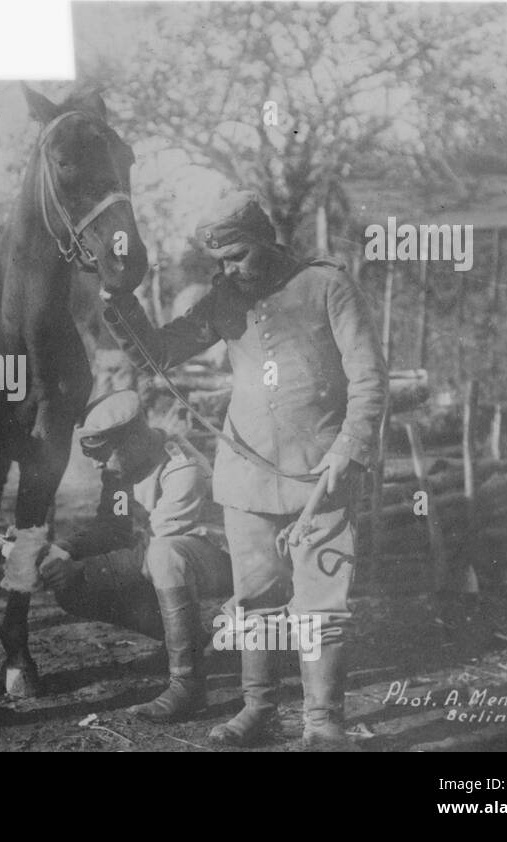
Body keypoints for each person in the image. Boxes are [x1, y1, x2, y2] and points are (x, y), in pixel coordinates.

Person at [100, 190, 388, 747]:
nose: (230, 270)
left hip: (319, 475)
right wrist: (118, 297)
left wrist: (347, 451)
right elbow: (156, 353)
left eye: (238, 256)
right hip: (247, 476)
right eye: (221, 262)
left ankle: (323, 723)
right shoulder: (223, 299)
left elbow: (370, 378)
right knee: (254, 598)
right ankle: (260, 711)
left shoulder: (327, 285)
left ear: (264, 240)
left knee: (319, 604)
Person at [31, 390, 232, 722]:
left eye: (104, 454)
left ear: (133, 441)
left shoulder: (182, 470)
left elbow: (153, 556)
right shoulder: (125, 468)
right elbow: (113, 527)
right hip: (168, 560)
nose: (97, 463)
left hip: (224, 560)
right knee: (74, 587)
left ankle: (188, 685)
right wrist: (63, 551)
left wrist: (83, 568)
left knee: (164, 555)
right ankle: (188, 642)